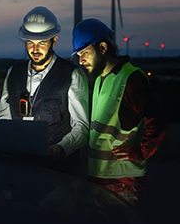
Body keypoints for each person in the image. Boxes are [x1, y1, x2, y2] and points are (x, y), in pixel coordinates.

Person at [72, 18, 168, 206]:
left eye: (84, 53)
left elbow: (159, 118)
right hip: (100, 176)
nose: (80, 60)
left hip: (122, 181)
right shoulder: (101, 78)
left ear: (102, 48)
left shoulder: (130, 78)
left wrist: (139, 152)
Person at [0, 6, 89, 175]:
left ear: (54, 40)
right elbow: (4, 118)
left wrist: (61, 149)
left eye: (41, 43)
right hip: (19, 169)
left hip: (59, 173)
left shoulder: (72, 75)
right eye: (30, 43)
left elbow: (81, 127)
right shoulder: (13, 72)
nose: (35, 49)